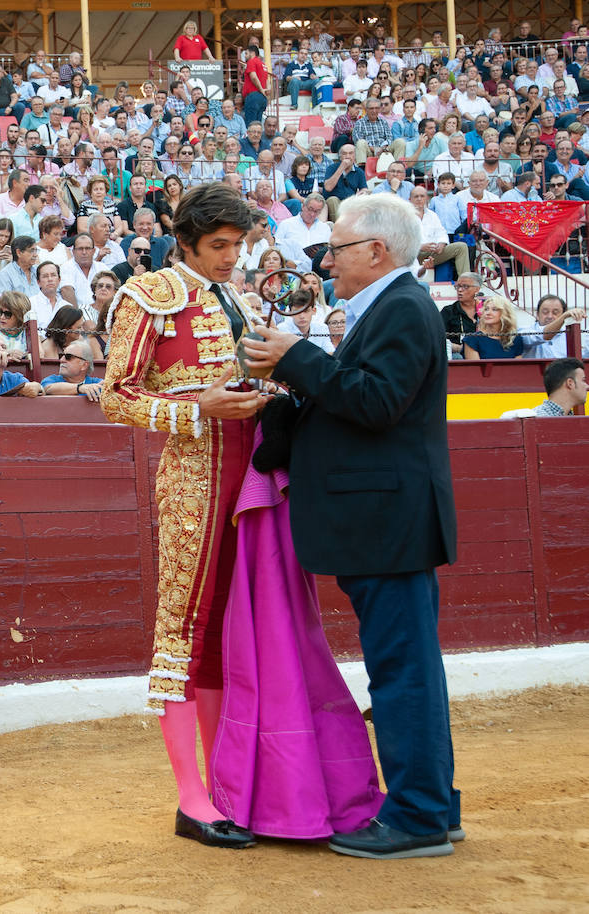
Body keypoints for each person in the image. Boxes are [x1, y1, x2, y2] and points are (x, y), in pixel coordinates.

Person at [243, 193, 461, 859]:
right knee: (408, 668)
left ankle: (420, 818)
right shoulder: (393, 308)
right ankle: (432, 807)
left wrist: (295, 360)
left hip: (387, 522)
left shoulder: (399, 309)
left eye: (334, 248)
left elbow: (374, 403)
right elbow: (359, 397)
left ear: (377, 251)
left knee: (403, 671)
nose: (324, 258)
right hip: (384, 519)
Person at [101, 182, 268, 849]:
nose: (232, 258)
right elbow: (116, 397)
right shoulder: (149, 296)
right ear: (186, 243)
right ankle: (192, 799)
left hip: (250, 472)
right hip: (196, 477)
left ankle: (224, 785)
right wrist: (199, 408)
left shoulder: (239, 299)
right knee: (184, 627)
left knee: (229, 629)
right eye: (220, 246)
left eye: (239, 245)